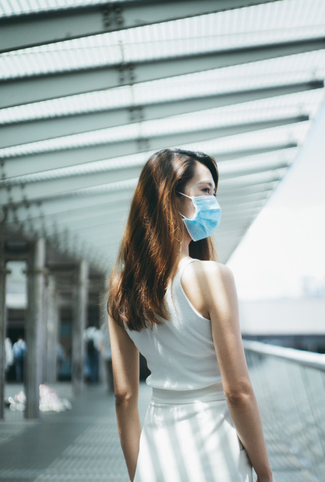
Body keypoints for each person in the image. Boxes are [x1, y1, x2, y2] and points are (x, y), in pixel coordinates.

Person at [107, 149, 271, 482]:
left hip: (157, 449)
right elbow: (237, 390)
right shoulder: (212, 277)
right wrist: (266, 474)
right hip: (215, 449)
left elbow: (124, 396)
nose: (214, 202)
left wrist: (138, 473)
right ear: (172, 198)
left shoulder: (119, 287)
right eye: (206, 191)